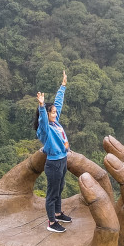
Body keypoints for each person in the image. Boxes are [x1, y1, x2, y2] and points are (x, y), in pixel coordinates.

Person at [35, 71, 72, 233]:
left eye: (55, 112)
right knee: (52, 193)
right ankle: (51, 222)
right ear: (47, 114)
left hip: (63, 159)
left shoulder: (55, 122)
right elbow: (42, 121)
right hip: (54, 163)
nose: (55, 114)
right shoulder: (45, 130)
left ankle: (57, 213)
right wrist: (42, 106)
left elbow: (58, 102)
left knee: (60, 187)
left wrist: (63, 85)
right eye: (53, 112)